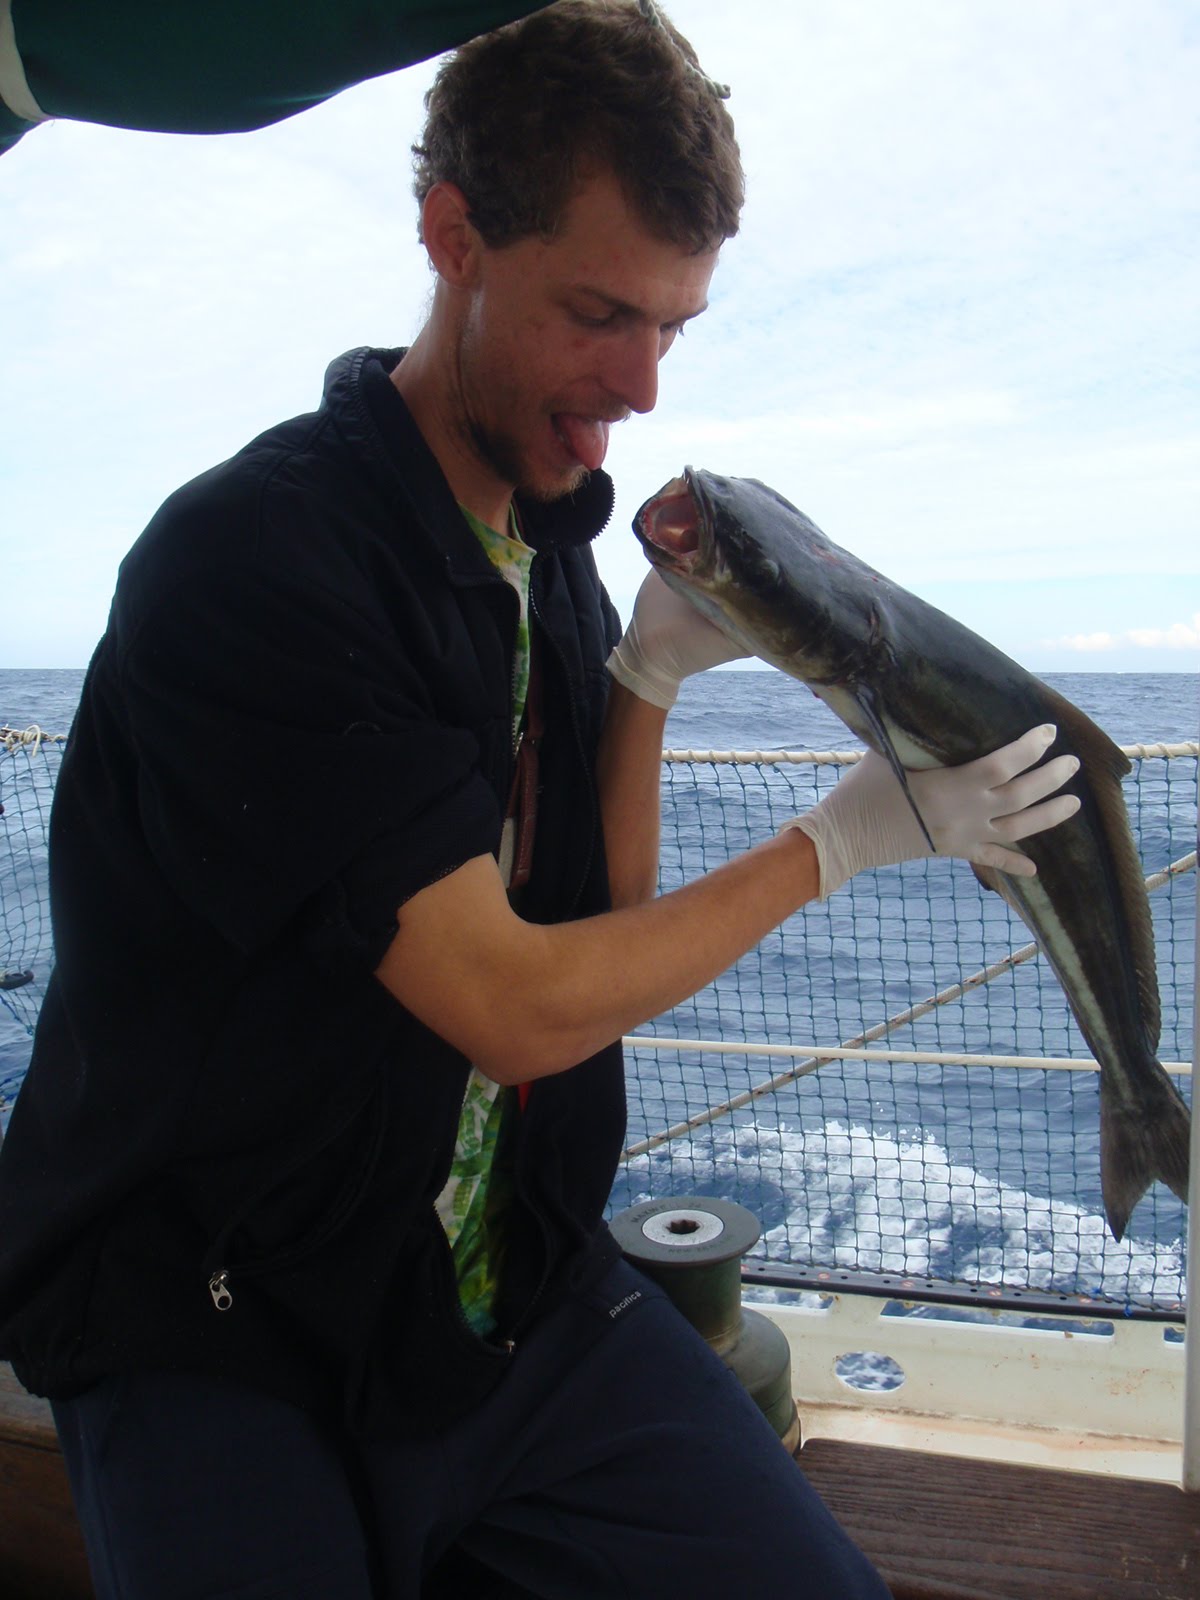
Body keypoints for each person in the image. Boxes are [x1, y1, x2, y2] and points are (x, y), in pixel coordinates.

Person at [0, 4, 1081, 1596]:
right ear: (452, 238)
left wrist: (641, 686)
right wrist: (847, 839)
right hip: (223, 1320)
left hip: (501, 1296)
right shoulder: (261, 563)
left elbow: (591, 925)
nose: (641, 383)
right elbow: (509, 1005)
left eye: (675, 327)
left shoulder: (551, 556)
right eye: (599, 313)